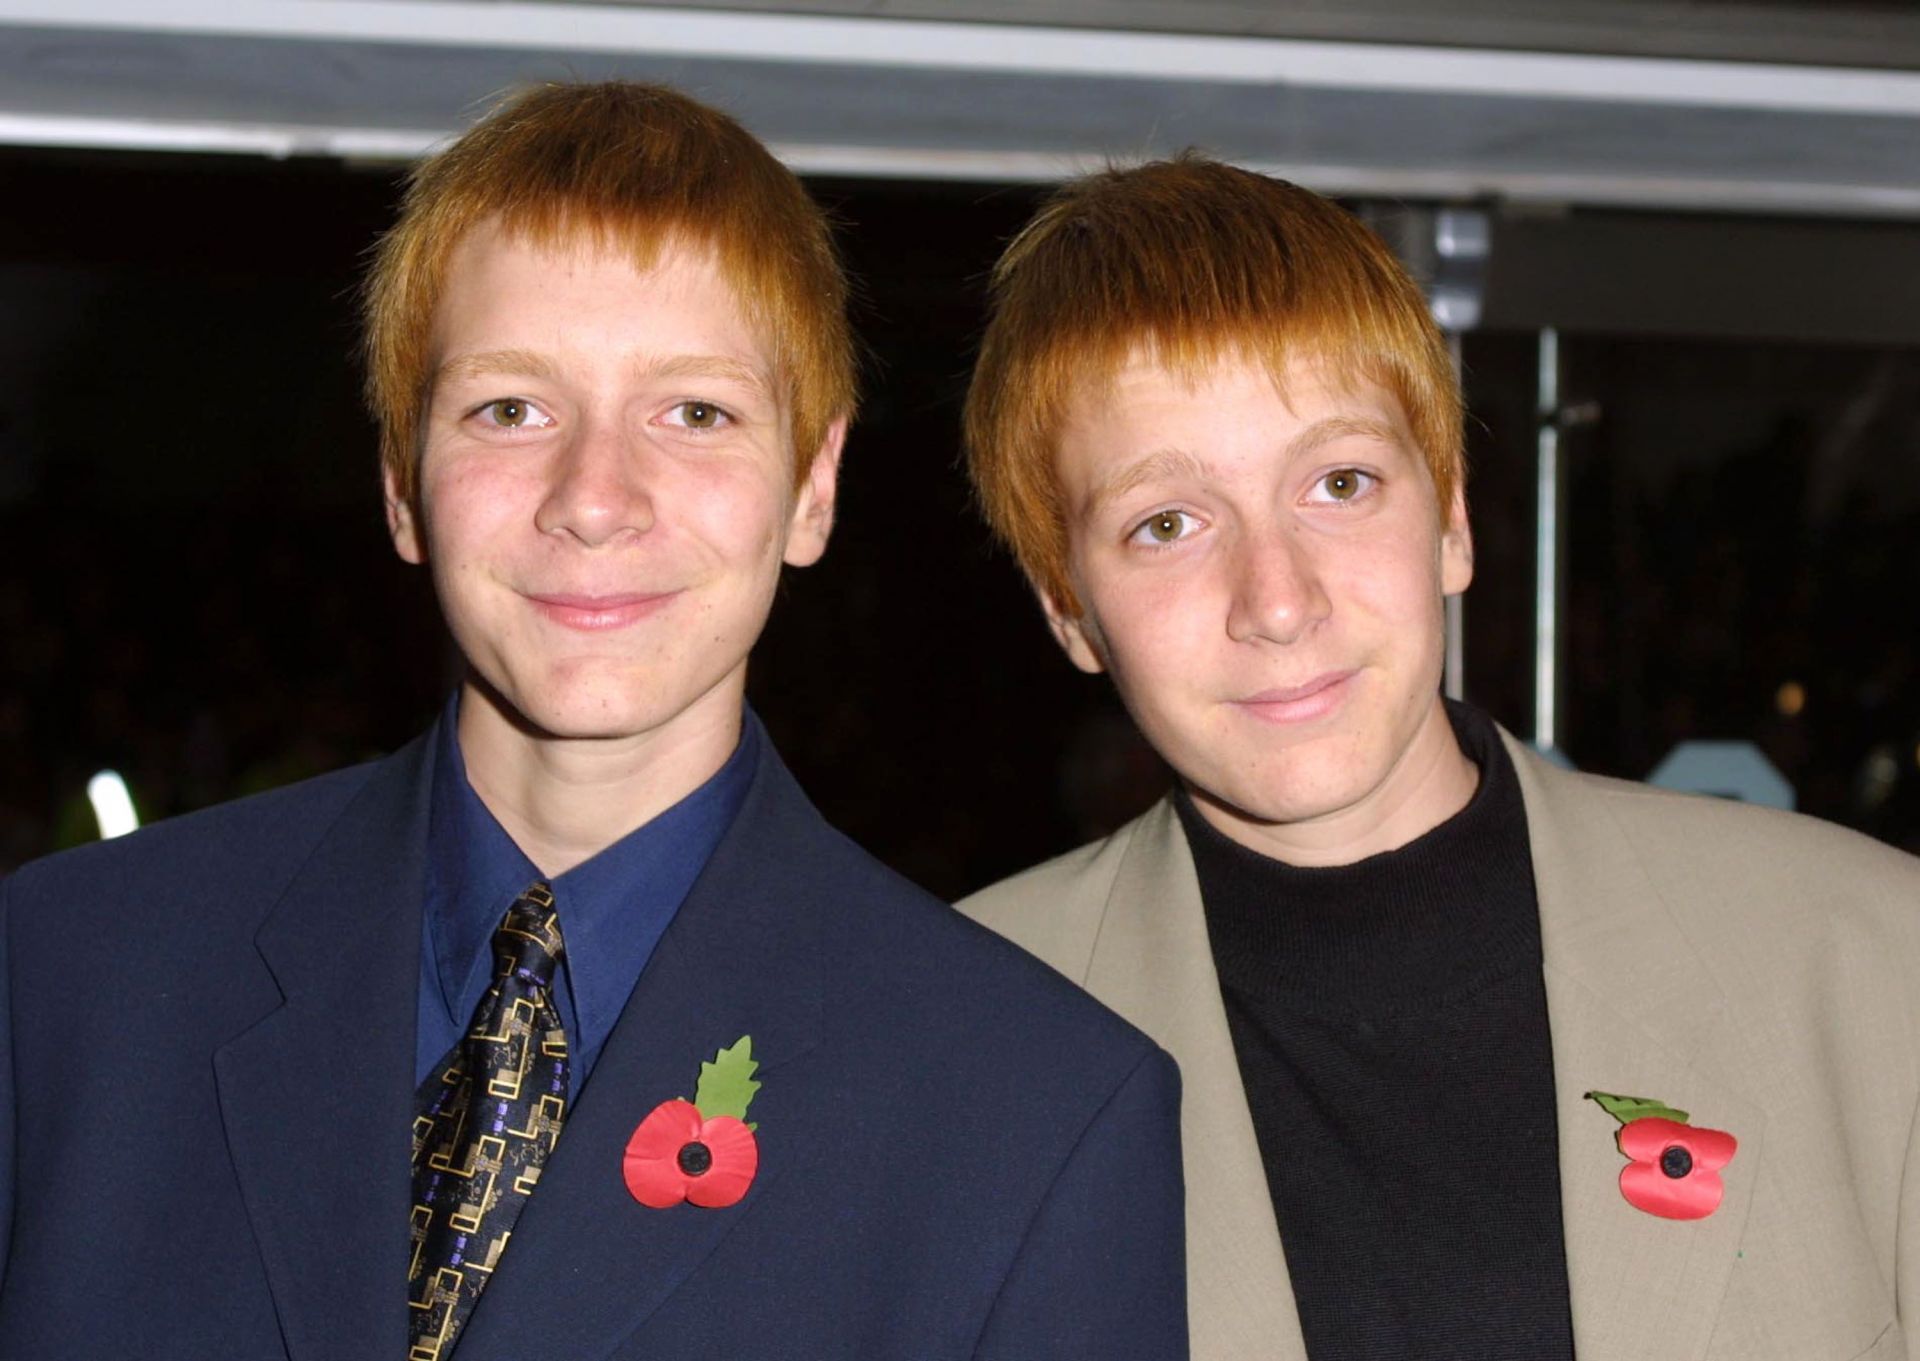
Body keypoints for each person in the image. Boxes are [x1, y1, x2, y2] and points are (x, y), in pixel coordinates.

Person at [0, 83, 1185, 1361]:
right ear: (403, 484)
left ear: (812, 487)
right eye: (512, 407)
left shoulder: (1036, 1112)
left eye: (696, 412)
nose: (595, 497)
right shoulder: (68, 983)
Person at [959, 154, 1920, 1361]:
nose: (1277, 599)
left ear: (1453, 520)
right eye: (1167, 523)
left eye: (1340, 482)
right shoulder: (950, 1042)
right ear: (1067, 608)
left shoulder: (1873, 964)